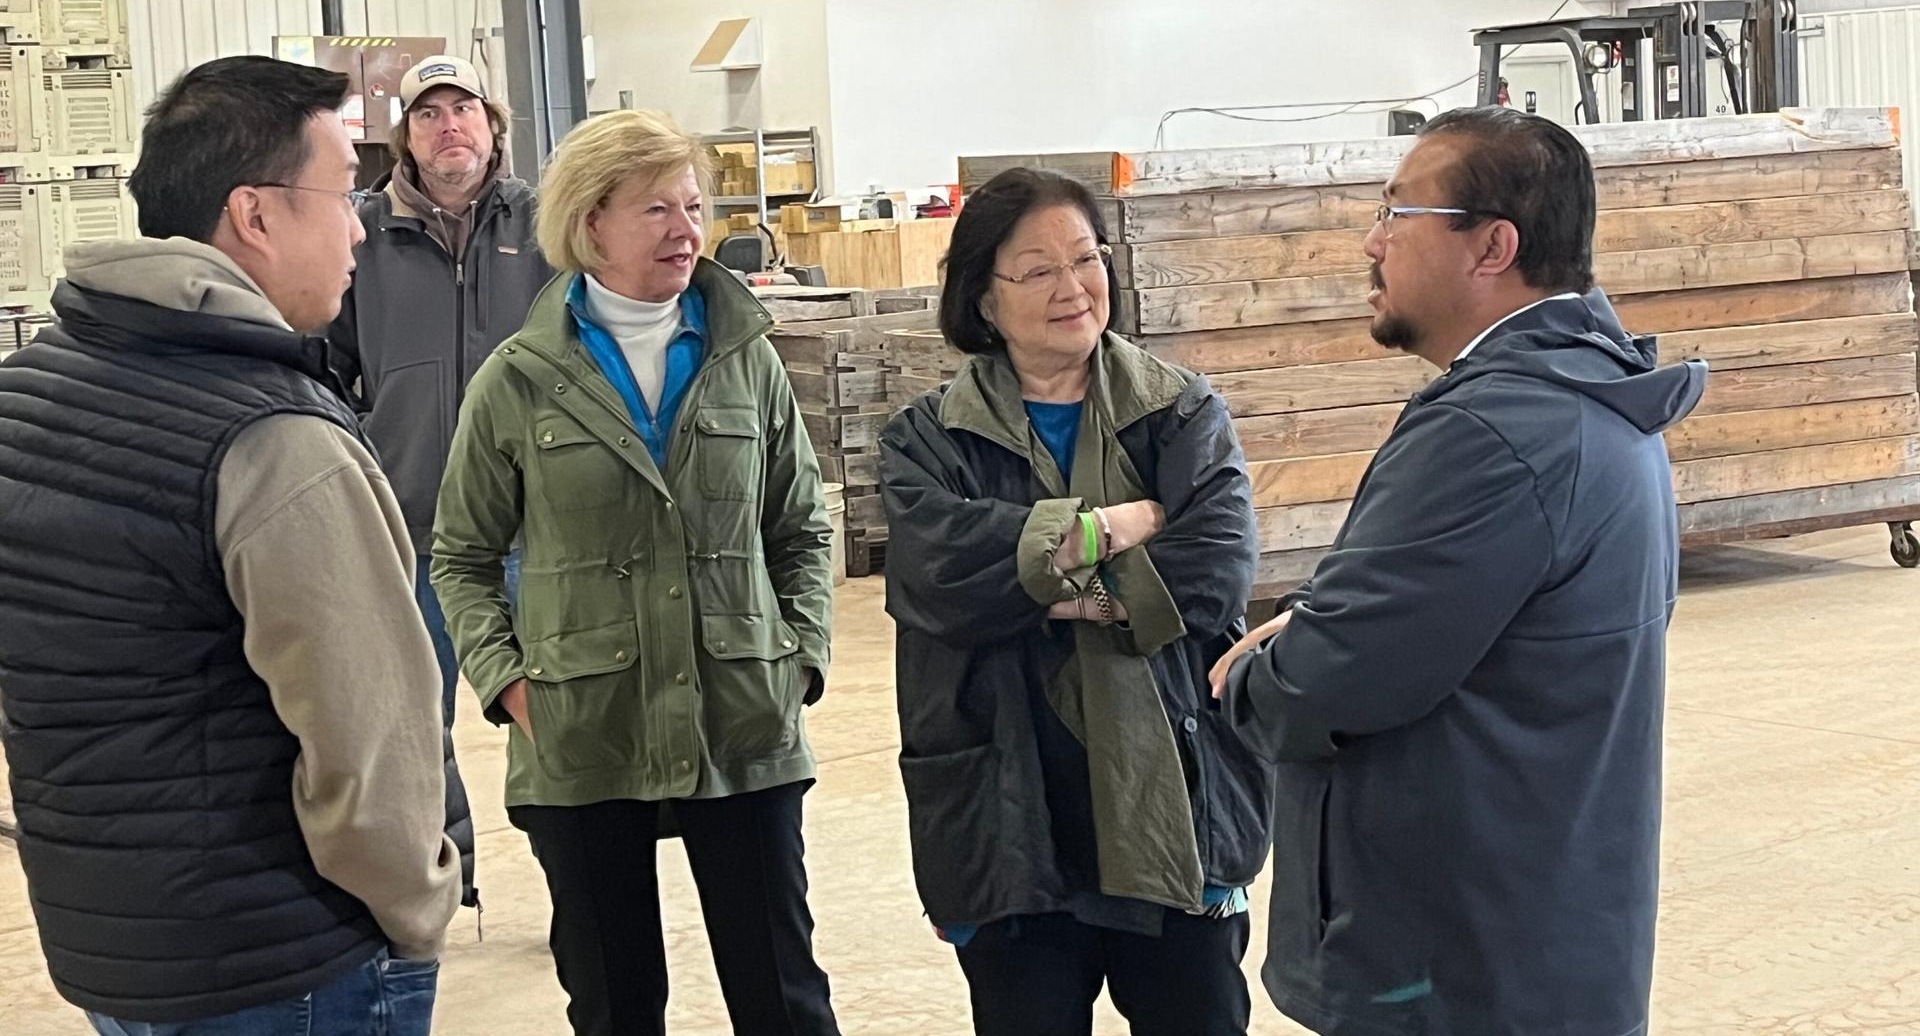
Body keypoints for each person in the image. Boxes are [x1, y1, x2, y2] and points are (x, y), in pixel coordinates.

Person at [1211, 107, 1708, 1035]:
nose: (1372, 243)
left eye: (1398, 214)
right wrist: (1329, 619)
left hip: (1453, 967)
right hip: (1535, 939)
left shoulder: (1492, 435)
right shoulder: (1589, 399)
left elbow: (1331, 681)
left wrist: (1252, 672)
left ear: (1492, 247)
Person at [0, 56, 466, 1034]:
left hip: (116, 948)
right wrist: (417, 909)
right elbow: (370, 746)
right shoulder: (276, 442)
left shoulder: (31, 393)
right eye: (343, 195)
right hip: (286, 961)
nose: (358, 228)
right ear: (254, 215)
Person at [432, 109, 840, 1036]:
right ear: (590, 225)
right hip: (581, 729)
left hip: (742, 717)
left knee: (783, 998)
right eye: (656, 209)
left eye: (693, 206)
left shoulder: (747, 359)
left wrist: (800, 657)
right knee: (616, 1004)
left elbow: (802, 529)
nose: (686, 230)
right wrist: (510, 686)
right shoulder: (519, 379)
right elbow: (459, 555)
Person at [879, 167, 1268, 1036]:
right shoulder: (926, 440)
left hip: (1176, 809)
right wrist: (1126, 524)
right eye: (1037, 269)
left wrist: (1039, 578)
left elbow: (1211, 574)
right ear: (982, 297)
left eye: (1085, 259)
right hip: (1006, 816)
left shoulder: (1180, 412)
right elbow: (943, 581)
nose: (1072, 287)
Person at [328, 54, 553, 724]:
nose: (447, 125)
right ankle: (436, 837)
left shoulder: (547, 227)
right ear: (406, 136)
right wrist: (369, 441)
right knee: (416, 724)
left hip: (536, 527)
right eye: (427, 113)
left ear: (492, 125)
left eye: (463, 109)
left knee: (554, 719)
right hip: (414, 528)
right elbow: (326, 365)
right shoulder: (363, 236)